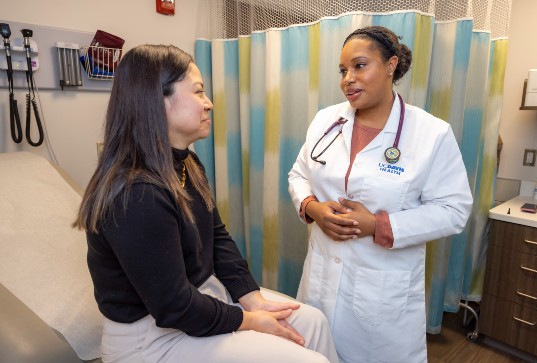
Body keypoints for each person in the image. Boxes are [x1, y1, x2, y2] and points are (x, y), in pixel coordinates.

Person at [73, 44, 339, 363]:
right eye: (198, 92)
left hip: (199, 303)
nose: (209, 103)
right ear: (157, 101)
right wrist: (249, 321)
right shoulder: (136, 193)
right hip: (153, 339)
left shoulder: (188, 165)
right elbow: (174, 307)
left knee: (314, 324)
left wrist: (252, 299)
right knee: (309, 360)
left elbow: (218, 239)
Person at [288, 26, 473, 363]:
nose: (348, 79)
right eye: (343, 70)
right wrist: (312, 207)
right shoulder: (326, 120)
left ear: (391, 65)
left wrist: (378, 224)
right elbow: (299, 174)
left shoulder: (431, 133)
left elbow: (454, 209)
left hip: (381, 294)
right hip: (320, 278)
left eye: (359, 66)